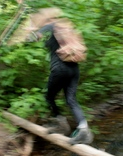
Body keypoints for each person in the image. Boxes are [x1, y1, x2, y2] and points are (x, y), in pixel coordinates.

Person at [30, 8, 93, 145]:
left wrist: (29, 34)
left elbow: (33, 38)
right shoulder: (65, 29)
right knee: (71, 99)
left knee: (49, 97)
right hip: (74, 69)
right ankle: (84, 131)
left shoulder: (50, 26)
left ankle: (61, 124)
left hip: (59, 69)